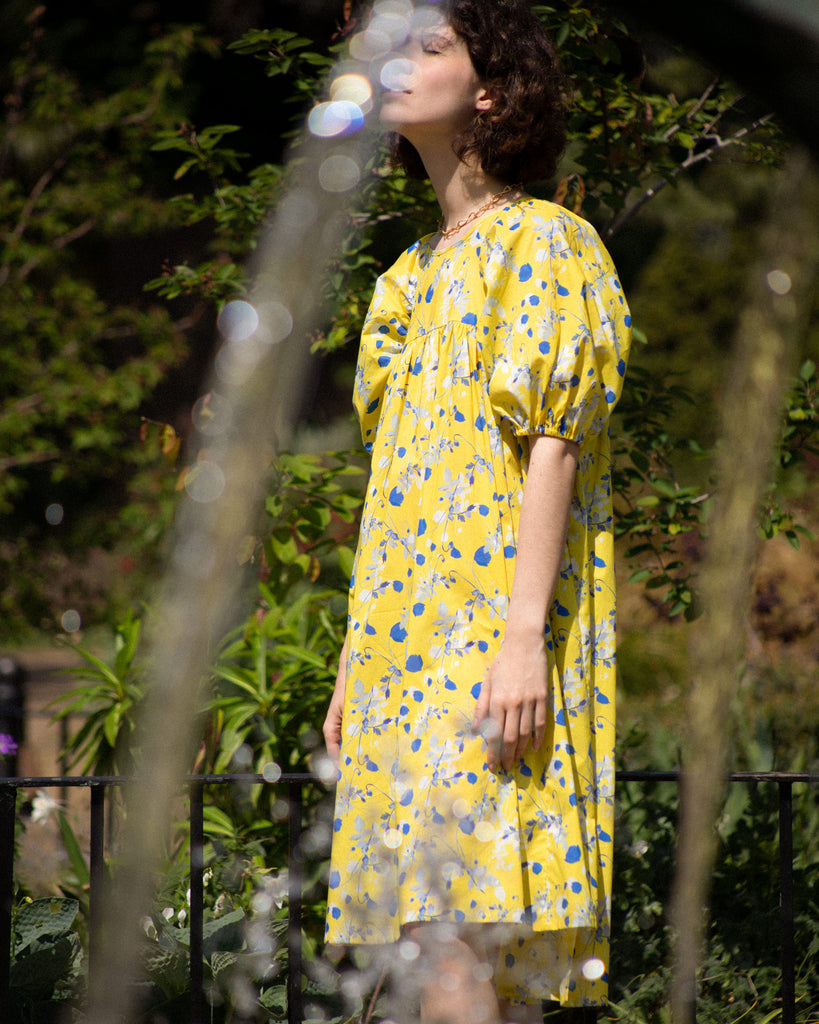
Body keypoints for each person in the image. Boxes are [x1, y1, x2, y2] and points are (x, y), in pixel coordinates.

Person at [322, 1, 631, 1020]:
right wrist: (355, 664)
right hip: (403, 654)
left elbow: (554, 444)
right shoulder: (408, 276)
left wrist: (523, 638)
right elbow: (397, 490)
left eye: (430, 45)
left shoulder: (543, 242)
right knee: (443, 943)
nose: (397, 64)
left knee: (459, 931)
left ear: (491, 90)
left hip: (493, 638)